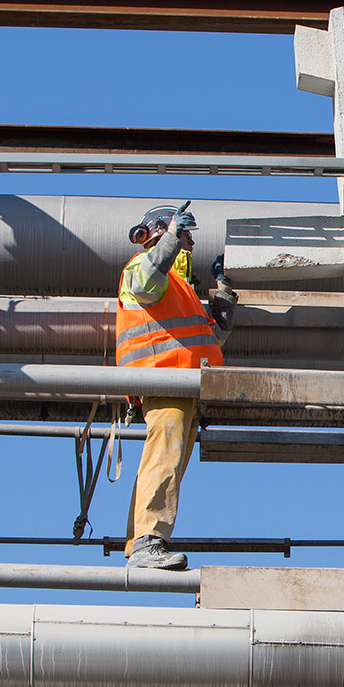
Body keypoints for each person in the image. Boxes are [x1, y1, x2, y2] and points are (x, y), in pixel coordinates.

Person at [116, 203, 227, 570]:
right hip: (162, 378)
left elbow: (207, 339)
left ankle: (140, 541)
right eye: (186, 234)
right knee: (164, 454)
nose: (191, 242)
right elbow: (147, 286)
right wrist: (169, 242)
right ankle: (148, 541)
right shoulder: (141, 267)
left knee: (167, 459)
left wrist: (224, 292)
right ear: (163, 233)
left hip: (184, 383)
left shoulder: (182, 288)